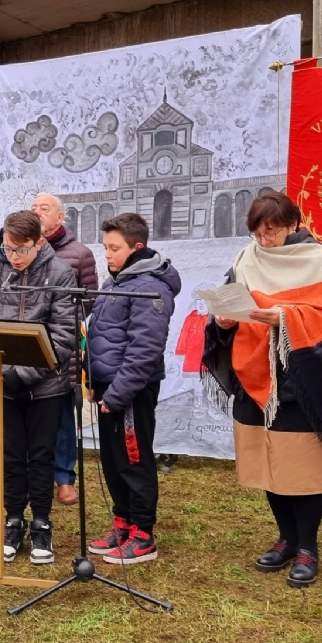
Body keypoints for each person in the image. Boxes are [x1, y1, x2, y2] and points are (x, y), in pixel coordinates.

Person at [202, 192, 322, 587]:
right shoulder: (245, 258)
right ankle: (286, 538)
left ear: (293, 224)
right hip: (255, 375)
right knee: (269, 463)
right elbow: (231, 301)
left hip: (300, 382)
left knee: (301, 468)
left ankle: (308, 545)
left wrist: (284, 317)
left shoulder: (319, 260)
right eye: (257, 231)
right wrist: (223, 323)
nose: (263, 238)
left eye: (271, 230)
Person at [0, 210, 76, 564]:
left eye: (22, 250)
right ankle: (13, 520)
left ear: (39, 242)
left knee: (41, 455)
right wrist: (2, 372)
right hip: (2, 383)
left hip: (46, 387)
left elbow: (63, 337)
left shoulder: (60, 274)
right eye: (8, 248)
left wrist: (25, 373)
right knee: (11, 455)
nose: (14, 257)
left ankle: (42, 524)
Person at [85, 213, 180, 565]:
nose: (106, 255)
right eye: (105, 247)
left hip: (131, 391)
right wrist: (93, 379)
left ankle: (143, 534)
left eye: (114, 248)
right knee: (112, 460)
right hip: (108, 388)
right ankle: (121, 523)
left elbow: (144, 349)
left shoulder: (149, 287)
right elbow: (99, 335)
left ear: (137, 248)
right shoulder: (115, 281)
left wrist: (117, 394)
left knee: (133, 459)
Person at [30, 192, 98, 505]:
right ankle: (34, 476)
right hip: (28, 342)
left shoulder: (80, 254)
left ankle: (64, 478)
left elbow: (90, 300)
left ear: (60, 217)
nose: (37, 213)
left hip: (62, 345)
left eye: (44, 209)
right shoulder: (24, 250)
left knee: (61, 416)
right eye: (33, 208)